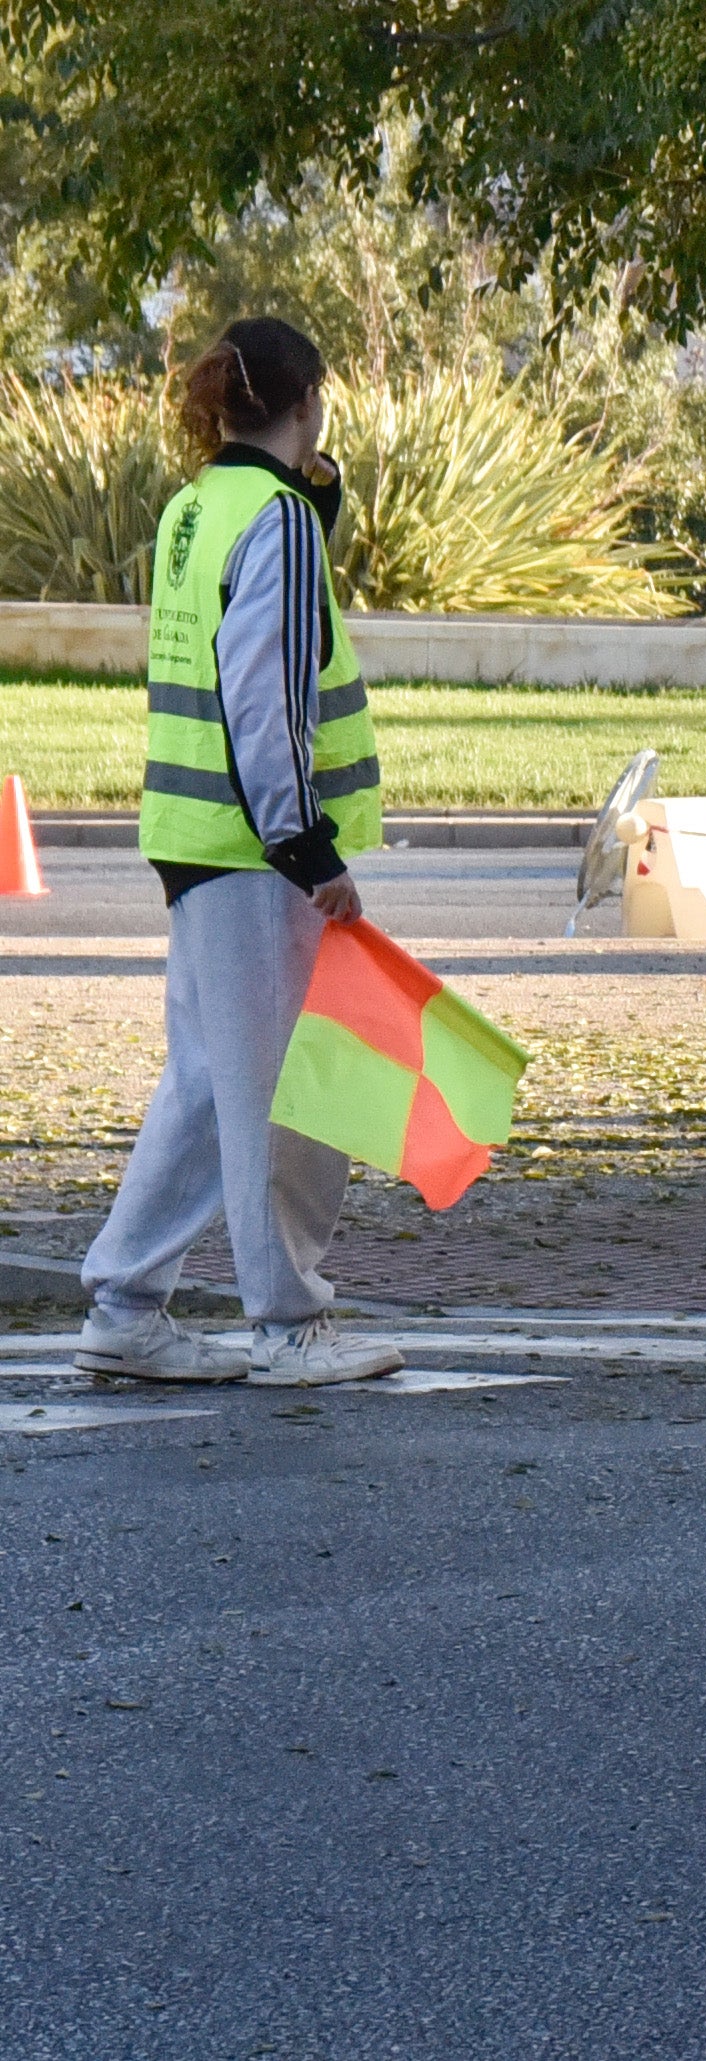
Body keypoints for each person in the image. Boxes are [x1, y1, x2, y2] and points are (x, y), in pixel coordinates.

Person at [73, 318, 405, 1390]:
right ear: (308, 402)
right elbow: (266, 700)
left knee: (212, 1081)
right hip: (260, 850)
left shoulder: (196, 507)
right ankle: (287, 1325)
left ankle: (127, 1304)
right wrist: (309, 850)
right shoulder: (278, 519)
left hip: (191, 833)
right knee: (280, 1094)